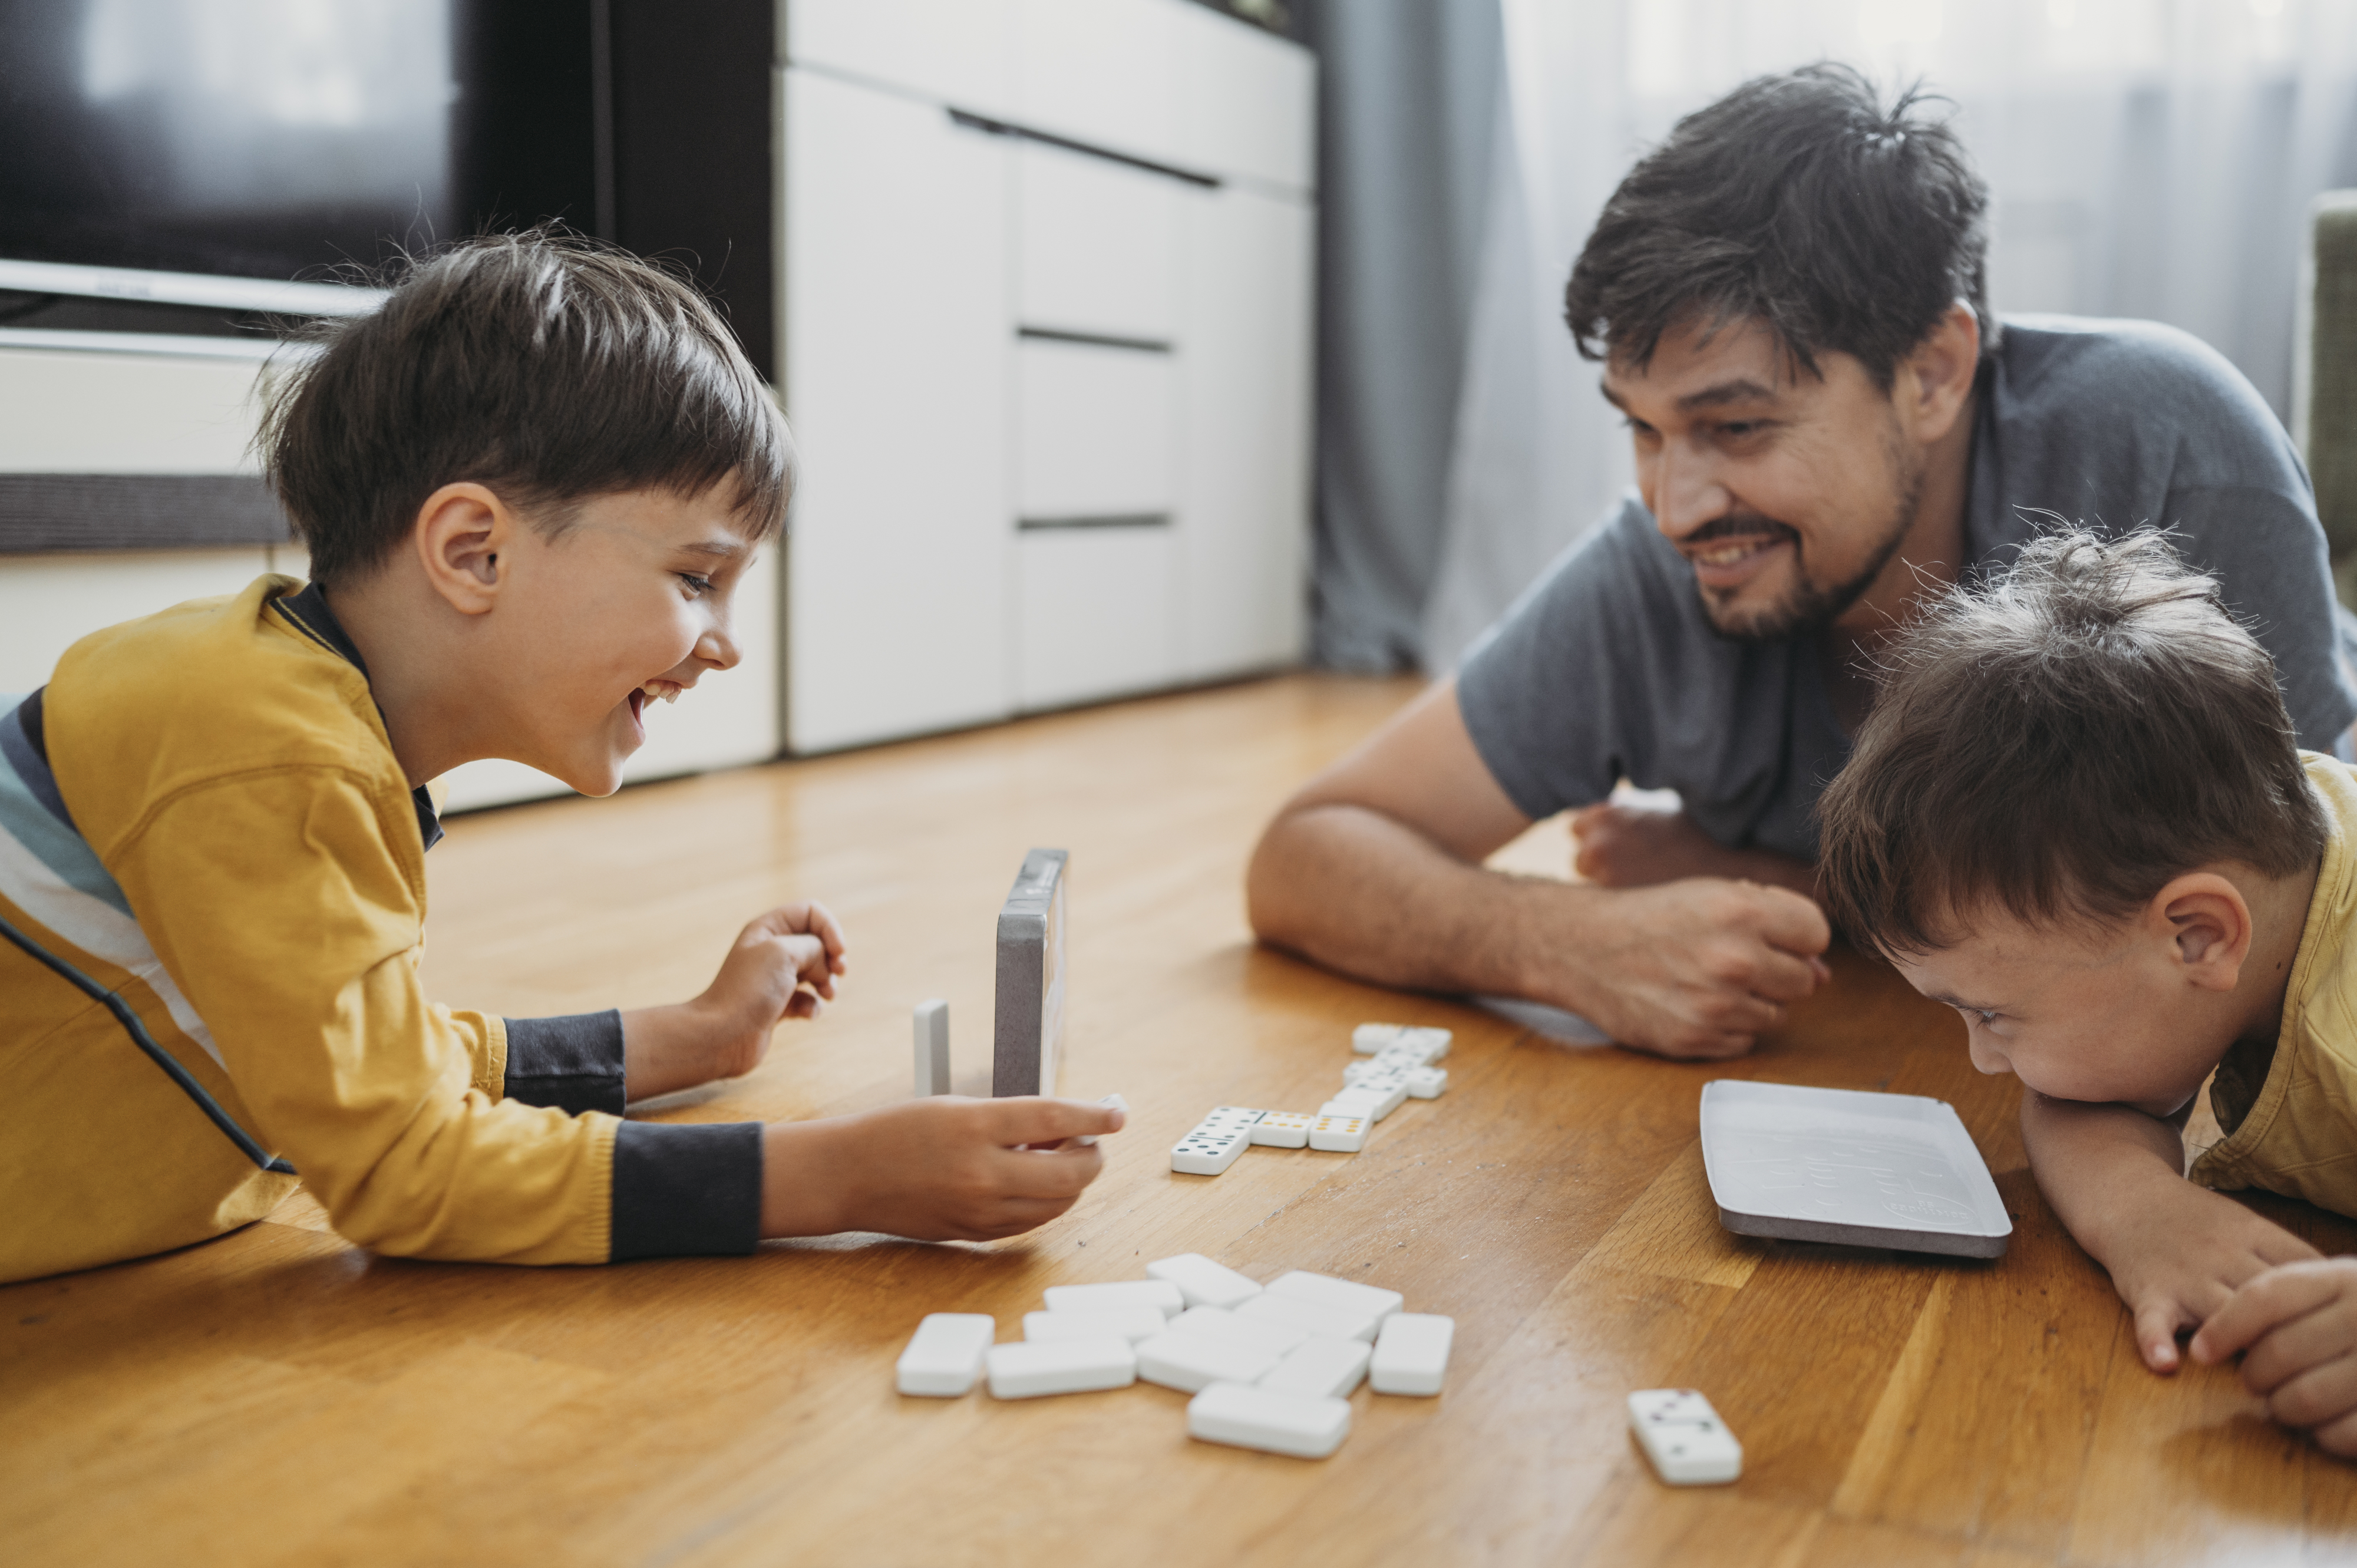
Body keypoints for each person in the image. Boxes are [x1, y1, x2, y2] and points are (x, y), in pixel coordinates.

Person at [0, 233, 1120, 1285]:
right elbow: (403, 1161)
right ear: (473, 551)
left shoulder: (287, 715)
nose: (725, 644)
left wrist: (692, 1037)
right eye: (695, 579)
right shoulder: (266, 748)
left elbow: (368, 1068)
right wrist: (837, 1172)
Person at [1248, 64, 2357, 1060]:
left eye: (1737, 427)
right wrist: (1562, 939)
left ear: (1932, 371)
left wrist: (1767, 880)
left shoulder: (2169, 448)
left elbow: (2275, 931)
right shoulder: (1665, 563)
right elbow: (1304, 856)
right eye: (1641, 428)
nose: (1674, 507)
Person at [1817, 530, 2357, 1454]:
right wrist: (2142, 1211)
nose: (1984, 1058)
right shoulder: (2248, 853)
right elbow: (2078, 1094)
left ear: (2197, 934)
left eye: (1993, 1014)